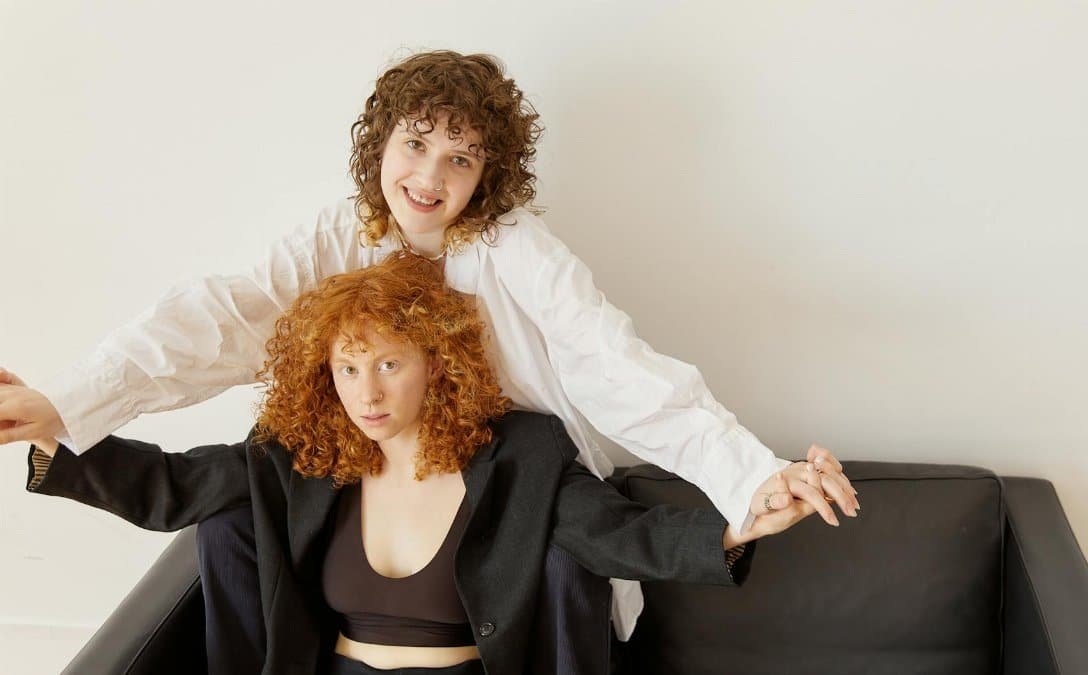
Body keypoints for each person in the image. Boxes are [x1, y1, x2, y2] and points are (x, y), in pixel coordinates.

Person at [0, 50, 858, 673]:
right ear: (378, 145)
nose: (429, 175)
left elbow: (619, 370)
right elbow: (216, 319)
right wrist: (61, 405)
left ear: (487, 177)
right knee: (235, 507)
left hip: (502, 481)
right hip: (381, 476)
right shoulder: (339, 243)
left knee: (561, 550)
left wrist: (750, 481)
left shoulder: (519, 254)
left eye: (460, 158)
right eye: (414, 144)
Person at [17, 254, 805, 675]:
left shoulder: (521, 453)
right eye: (348, 368)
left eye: (389, 364)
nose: (368, 391)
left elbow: (613, 531)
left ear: (437, 361)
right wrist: (43, 429)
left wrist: (735, 525)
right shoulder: (299, 457)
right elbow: (176, 484)